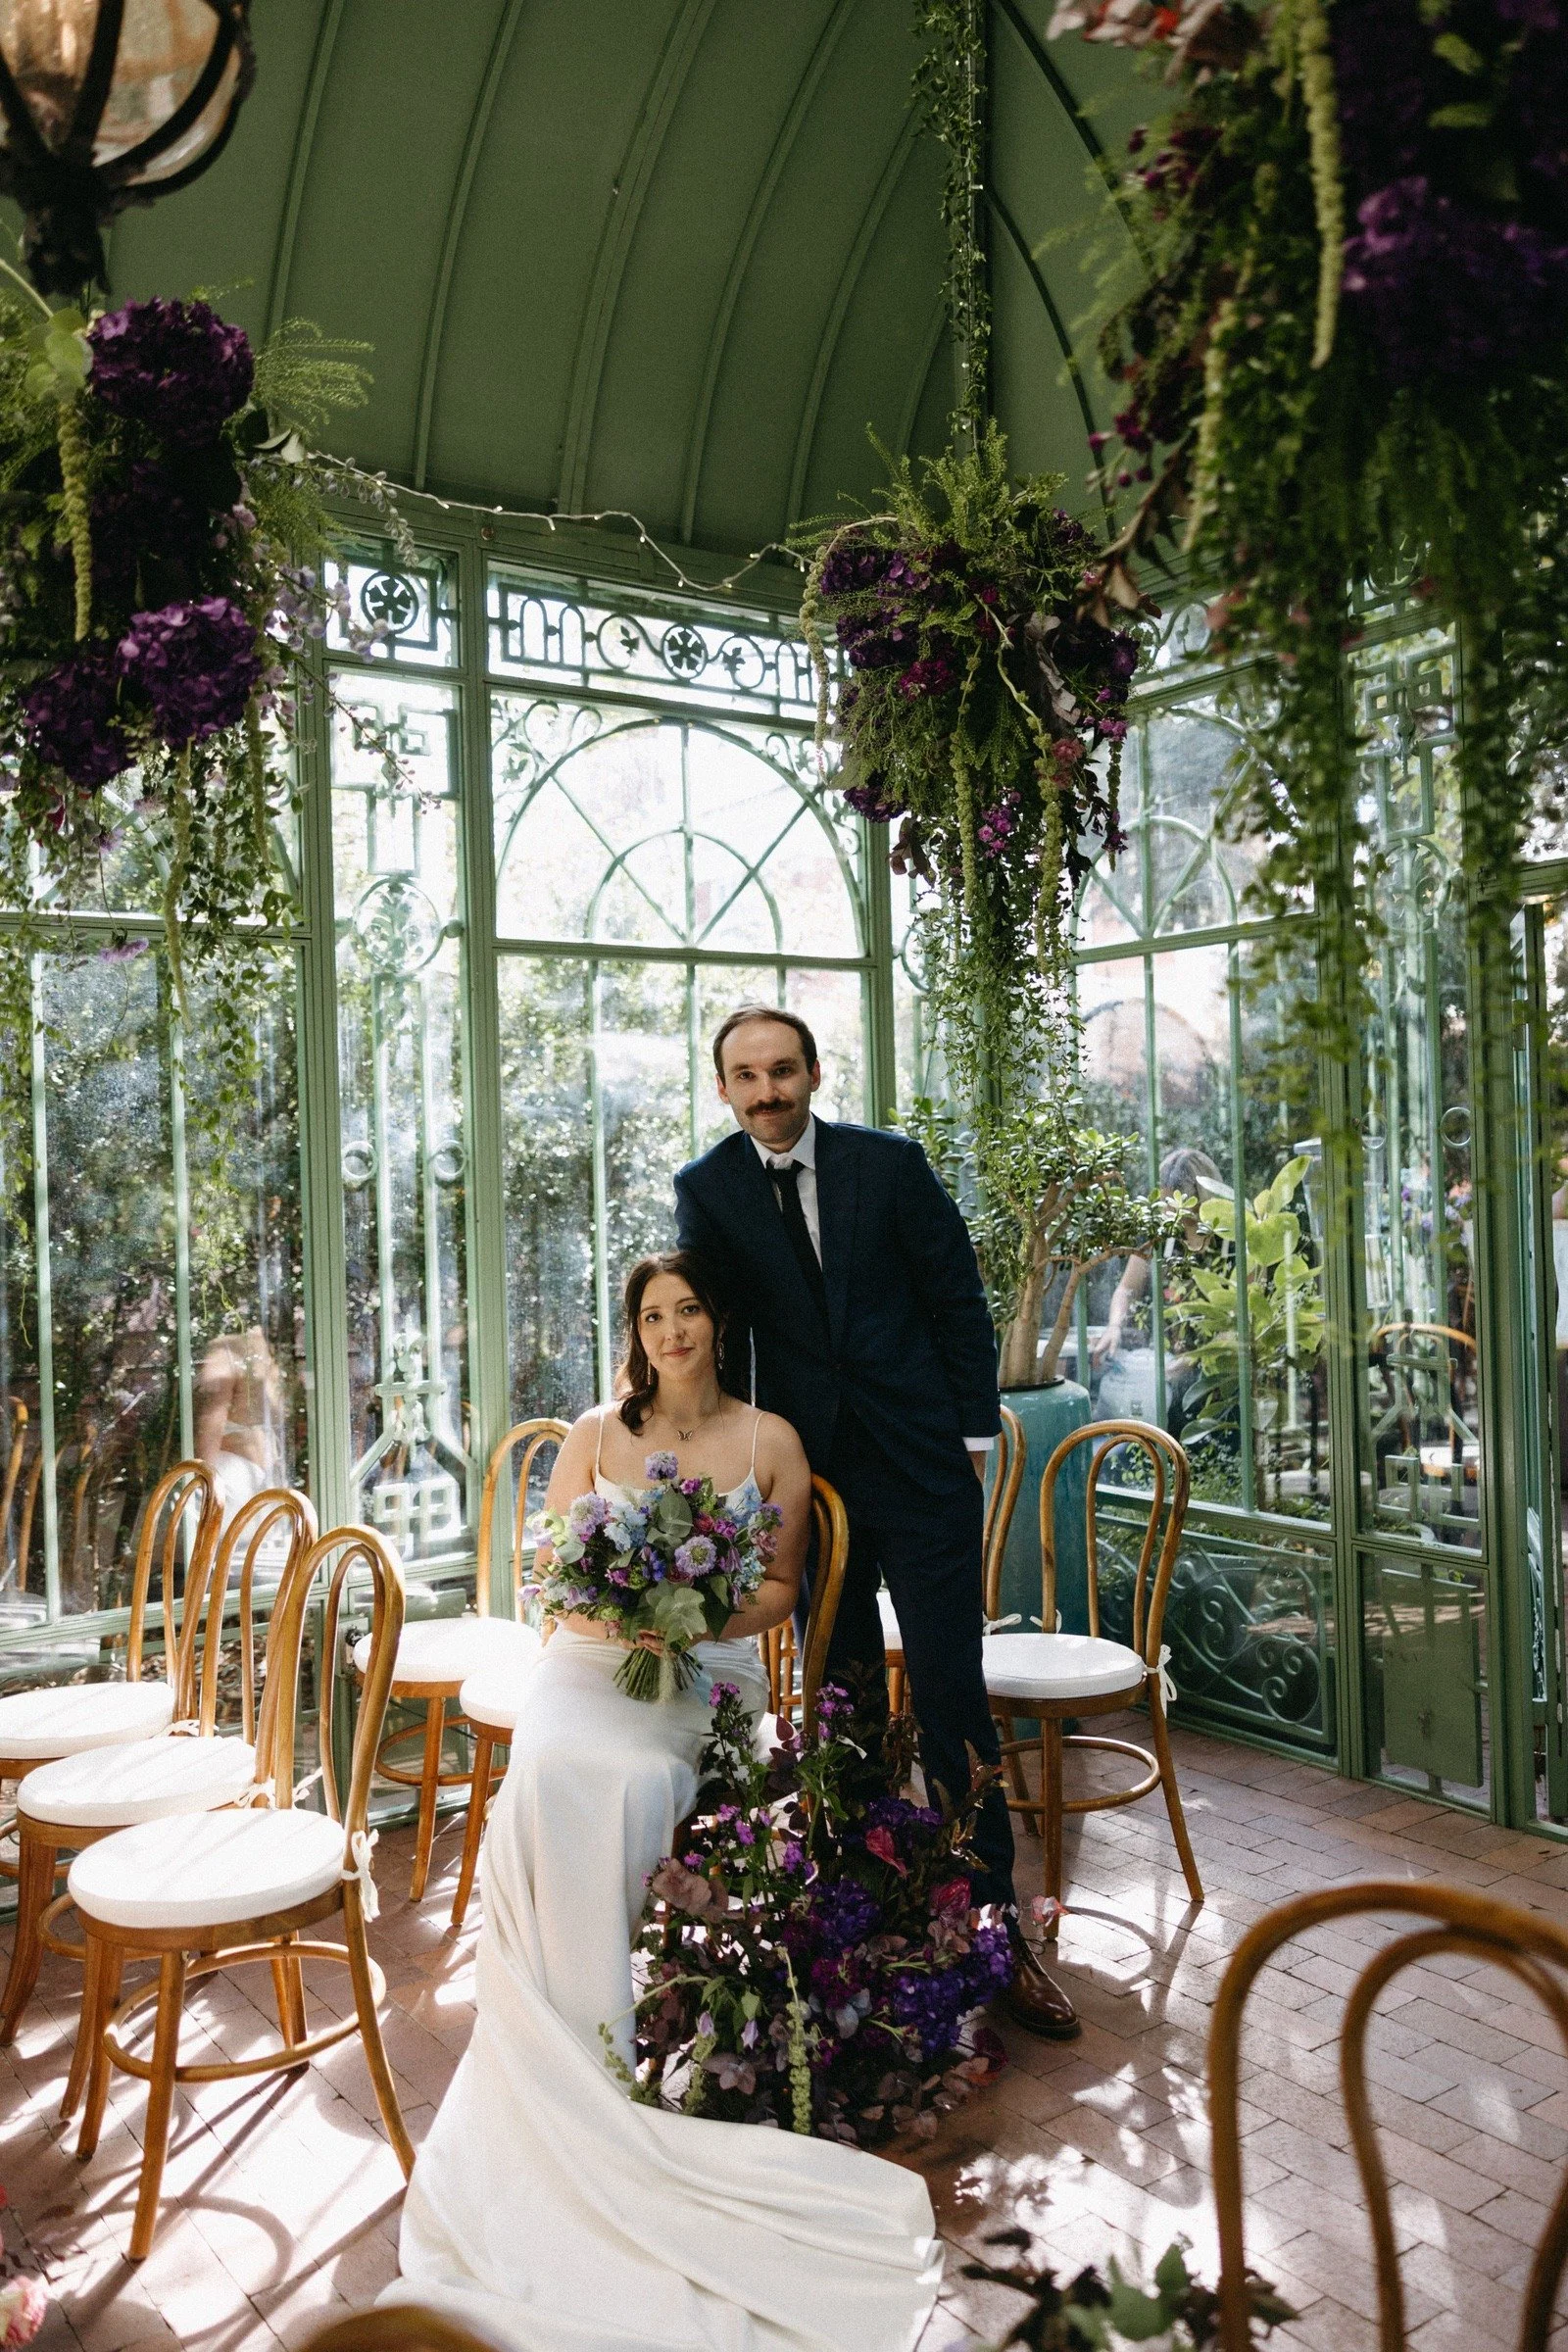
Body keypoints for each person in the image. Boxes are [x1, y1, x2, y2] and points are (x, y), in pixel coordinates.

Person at [390, 1252, 942, 2352]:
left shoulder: (769, 1439)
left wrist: (692, 1621)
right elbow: (549, 1576)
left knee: (640, 1775)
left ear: (715, 1324)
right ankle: (565, 2052)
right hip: (593, 1666)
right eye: (653, 1315)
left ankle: (601, 2049)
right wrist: (624, 1619)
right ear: (633, 1332)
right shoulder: (593, 1435)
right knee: (551, 1770)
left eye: (688, 1311)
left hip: (707, 1673)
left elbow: (779, 1590)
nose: (672, 1330)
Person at [674, 1004, 1079, 2040]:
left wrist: (970, 1438)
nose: (766, 1091)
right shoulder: (707, 1190)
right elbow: (710, 1334)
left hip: (921, 1465)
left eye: (781, 1070)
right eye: (745, 1076)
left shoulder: (887, 1166)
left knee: (950, 1691)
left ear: (811, 1072)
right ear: (723, 1089)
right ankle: (858, 1920)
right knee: (842, 1696)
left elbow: (954, 1294)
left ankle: (996, 1923)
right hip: (813, 1482)